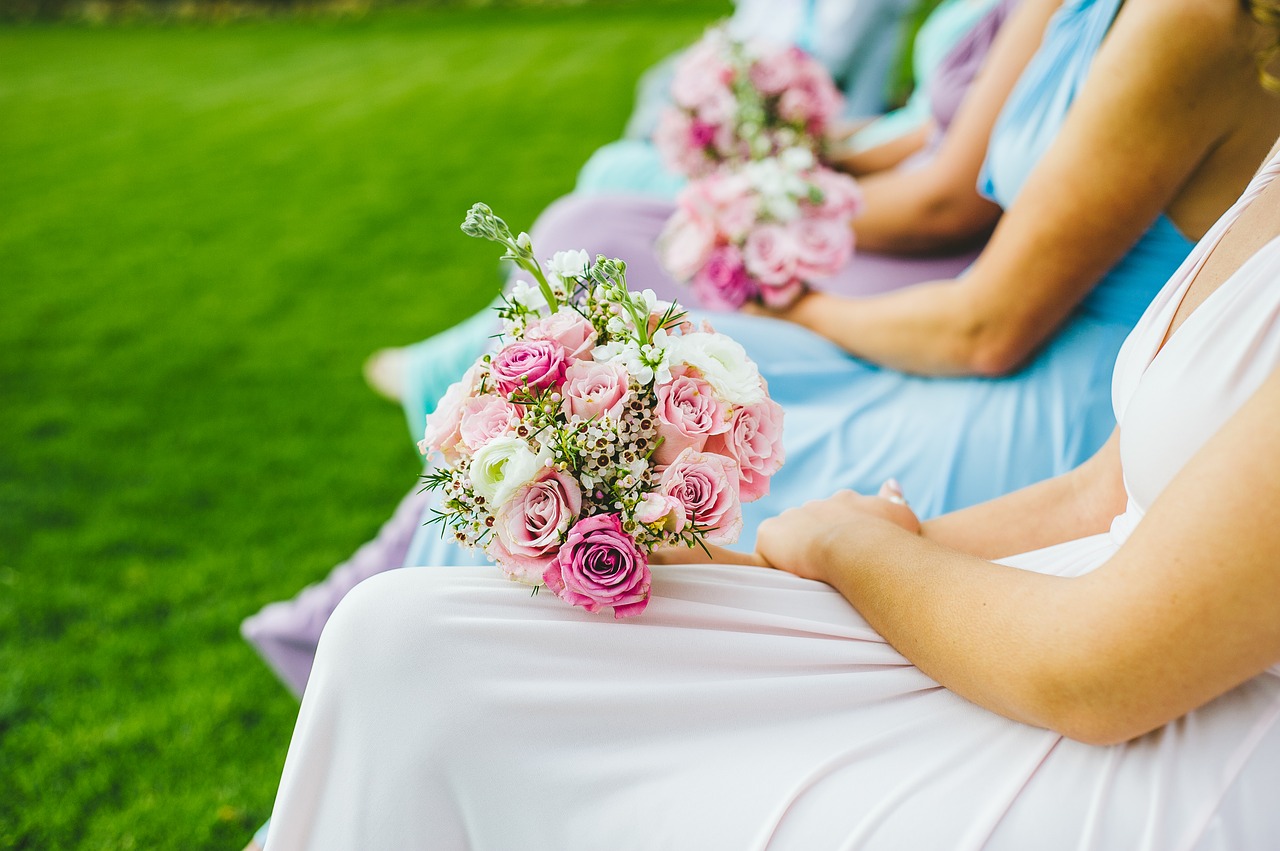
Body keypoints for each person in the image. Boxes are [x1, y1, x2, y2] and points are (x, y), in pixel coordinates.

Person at [263, 134, 1280, 849]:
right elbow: (1093, 494)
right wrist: (772, 567)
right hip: (1081, 610)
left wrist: (852, 548)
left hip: (1174, 744)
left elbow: (1103, 676)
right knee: (399, 636)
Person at [242, 0, 1280, 699]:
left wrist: (792, 299)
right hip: (1011, 337)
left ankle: (386, 632)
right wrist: (775, 180)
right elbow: (944, 157)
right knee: (581, 405)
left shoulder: (1190, 21)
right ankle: (382, 601)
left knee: (624, 446)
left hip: (1052, 378)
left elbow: (983, 322)